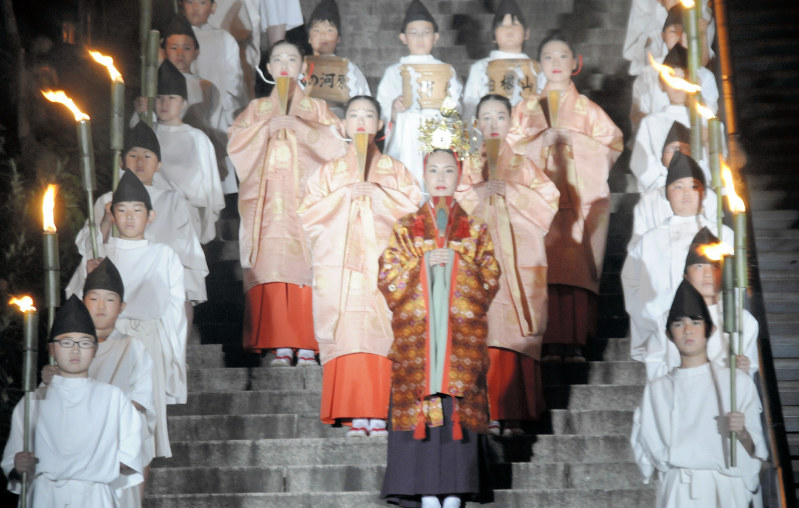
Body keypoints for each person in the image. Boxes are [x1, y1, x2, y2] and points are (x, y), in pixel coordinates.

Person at [378, 114, 499, 506]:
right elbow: (388, 276)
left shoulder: (476, 230)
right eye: (434, 170)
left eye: (449, 169)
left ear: (460, 174)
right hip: (420, 342)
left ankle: (457, 490)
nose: (441, 176)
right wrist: (422, 266)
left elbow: (491, 278)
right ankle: (424, 490)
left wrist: (459, 270)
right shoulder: (406, 226)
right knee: (421, 405)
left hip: (458, 342)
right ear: (423, 175)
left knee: (457, 405)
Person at [298, 95, 421, 436]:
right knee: (347, 329)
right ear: (343, 125)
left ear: (381, 125)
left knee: (382, 330)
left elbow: (413, 213)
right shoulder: (328, 173)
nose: (362, 120)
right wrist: (346, 195)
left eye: (369, 114)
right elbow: (309, 213)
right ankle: (353, 411)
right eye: (354, 114)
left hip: (383, 265)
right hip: (341, 266)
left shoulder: (396, 172)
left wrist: (377, 194)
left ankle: (381, 410)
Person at [228, 40, 346, 364]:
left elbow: (337, 143)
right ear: (267, 68)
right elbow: (236, 141)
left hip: (306, 198)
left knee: (307, 263)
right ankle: (279, 342)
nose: (283, 64)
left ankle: (308, 341)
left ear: (303, 67)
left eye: (291, 58)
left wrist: (302, 128)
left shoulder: (317, 109)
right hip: (267, 199)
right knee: (272, 263)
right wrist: (266, 128)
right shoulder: (257, 110)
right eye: (277, 58)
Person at [508, 32, 623, 361]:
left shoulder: (588, 109)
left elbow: (610, 145)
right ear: (538, 65)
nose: (556, 63)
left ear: (576, 63)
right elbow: (510, 148)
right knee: (541, 266)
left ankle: (573, 341)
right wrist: (540, 143)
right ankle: (542, 341)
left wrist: (572, 142)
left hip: (577, 198)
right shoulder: (526, 109)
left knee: (573, 267)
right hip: (538, 201)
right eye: (549, 57)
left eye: (563, 56)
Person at [66, 169, 187, 460]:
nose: (130, 217)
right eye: (121, 211)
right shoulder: (101, 254)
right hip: (107, 342)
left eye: (137, 210)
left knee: (141, 432)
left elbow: (175, 310)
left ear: (151, 215)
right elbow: (77, 302)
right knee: (101, 423)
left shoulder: (164, 254)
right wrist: (90, 275)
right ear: (112, 214)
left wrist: (172, 360)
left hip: (148, 339)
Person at [456, 94, 559, 434]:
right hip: (480, 263)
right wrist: (480, 193)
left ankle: (516, 410)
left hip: (520, 259)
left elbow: (549, 200)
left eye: (500, 117)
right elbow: (453, 205)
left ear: (510, 122)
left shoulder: (525, 165)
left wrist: (511, 193)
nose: (492, 124)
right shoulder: (467, 165)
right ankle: (485, 411)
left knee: (516, 332)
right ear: (476, 125)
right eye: (485, 118)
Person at [630, 280, 767, 507]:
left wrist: (741, 432)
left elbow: (756, 449)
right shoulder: (657, 389)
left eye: (695, 322)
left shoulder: (736, 383)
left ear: (710, 329)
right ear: (668, 334)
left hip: (726, 486)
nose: (688, 330)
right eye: (678, 324)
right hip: (678, 487)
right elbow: (645, 443)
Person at [2, 295, 144, 506]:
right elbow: (13, 460)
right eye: (66, 342)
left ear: (95, 350)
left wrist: (88, 467)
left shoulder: (113, 398)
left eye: (84, 342)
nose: (76, 350)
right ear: (52, 349)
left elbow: (130, 456)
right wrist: (18, 465)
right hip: (45, 496)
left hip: (94, 496)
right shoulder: (33, 402)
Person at [74, 122, 209, 337]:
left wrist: (186, 282)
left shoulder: (172, 199)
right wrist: (107, 220)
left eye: (147, 156)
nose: (139, 162)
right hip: (118, 276)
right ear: (121, 161)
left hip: (159, 276)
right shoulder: (107, 200)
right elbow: (89, 247)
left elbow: (186, 245)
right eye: (133, 155)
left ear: (159, 164)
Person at [43, 259, 156, 507]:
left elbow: (140, 401)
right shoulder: (67, 350)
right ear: (84, 303)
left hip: (114, 445)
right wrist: (51, 384)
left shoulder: (133, 347)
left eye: (110, 300)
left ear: (122, 306)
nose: (101, 307)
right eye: (93, 299)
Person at [622, 152, 733, 366]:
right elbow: (633, 285)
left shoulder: (724, 236)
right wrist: (655, 322)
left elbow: (733, 287)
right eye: (678, 187)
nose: (686, 194)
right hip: (663, 333)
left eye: (693, 186)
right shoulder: (649, 240)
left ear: (704, 193)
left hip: (715, 334)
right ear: (667, 194)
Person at [643, 228, 760, 380]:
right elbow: (654, 367)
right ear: (686, 276)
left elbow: (748, 373)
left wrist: (743, 369)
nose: (707, 274)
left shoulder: (744, 321)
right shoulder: (668, 320)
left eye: (715, 267)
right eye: (699, 266)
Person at [376, 0, 463, 189]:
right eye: (413, 33)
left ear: (436, 36)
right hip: (406, 134)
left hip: (437, 132)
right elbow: (381, 107)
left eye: (426, 32)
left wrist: (449, 104)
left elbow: (456, 108)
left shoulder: (446, 70)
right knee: (408, 181)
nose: (420, 38)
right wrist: (393, 109)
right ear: (403, 37)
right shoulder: (393, 72)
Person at [152, 59, 225, 246]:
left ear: (183, 102)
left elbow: (207, 186)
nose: (164, 103)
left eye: (172, 98)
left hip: (187, 214)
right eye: (159, 97)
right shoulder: (148, 134)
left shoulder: (197, 138)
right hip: (152, 214)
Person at [630, 45, 712, 192]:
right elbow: (641, 164)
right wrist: (672, 185)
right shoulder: (650, 123)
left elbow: (719, 166)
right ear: (662, 84)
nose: (678, 85)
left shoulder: (707, 122)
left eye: (684, 77)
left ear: (694, 83)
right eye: (672, 78)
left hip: (699, 194)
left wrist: (707, 145)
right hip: (661, 194)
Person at [629, 6, 718, 132]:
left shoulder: (705, 76)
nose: (679, 37)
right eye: (673, 32)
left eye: (684, 32)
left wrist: (696, 91)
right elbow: (637, 116)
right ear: (662, 36)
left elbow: (709, 118)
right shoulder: (648, 74)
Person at [630, 121, 717, 246]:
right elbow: (639, 242)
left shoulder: (708, 197)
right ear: (661, 158)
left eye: (684, 148)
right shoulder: (649, 199)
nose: (678, 152)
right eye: (672, 148)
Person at [462, 0, 543, 132]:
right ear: (493, 36)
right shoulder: (480, 68)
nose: (509, 29)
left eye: (514, 24)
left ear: (527, 33)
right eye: (502, 25)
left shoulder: (537, 68)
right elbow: (470, 111)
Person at [182, 0, 245, 128]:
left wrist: (229, 112)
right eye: (189, 2)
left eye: (202, 3)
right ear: (182, 5)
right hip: (183, 110)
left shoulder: (224, 38)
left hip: (217, 111)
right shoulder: (173, 39)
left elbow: (233, 80)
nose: (195, 8)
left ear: (213, 8)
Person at [304, 0, 371, 118]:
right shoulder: (299, 67)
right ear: (309, 38)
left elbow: (365, 104)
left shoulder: (350, 69)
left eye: (329, 30)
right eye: (317, 30)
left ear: (339, 38)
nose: (323, 35)